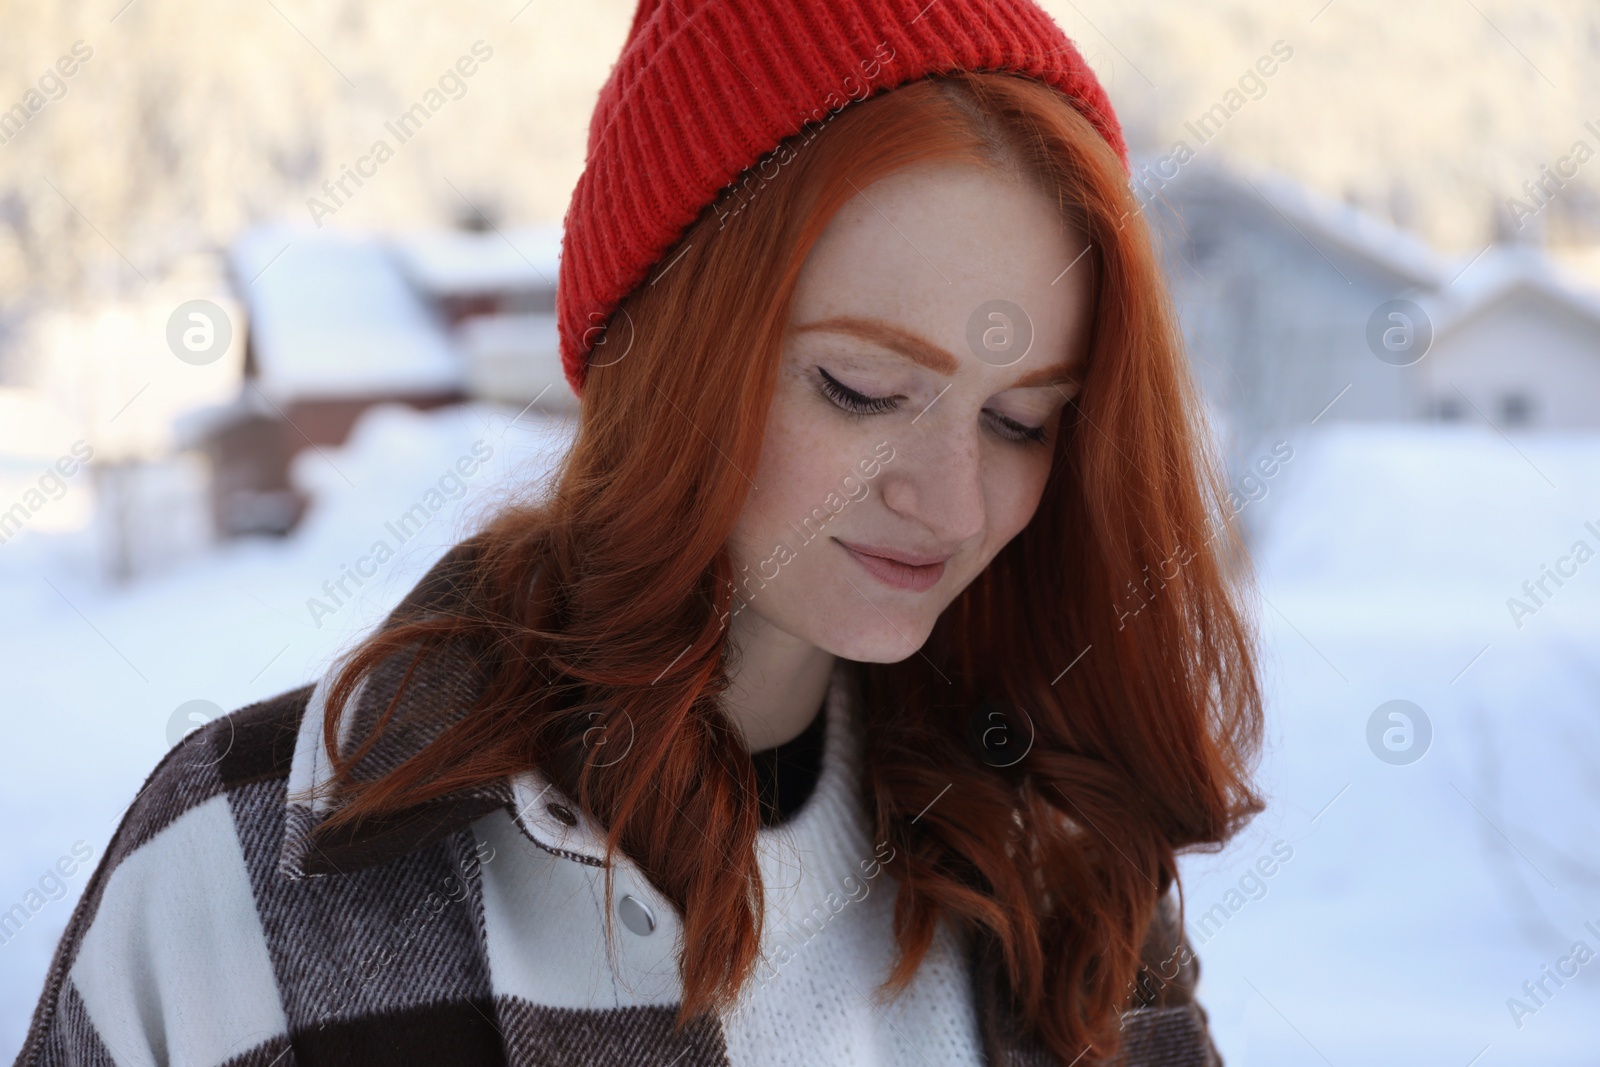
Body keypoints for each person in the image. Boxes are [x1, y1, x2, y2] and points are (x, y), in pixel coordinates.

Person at [14, 1, 1265, 1064]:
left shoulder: (1061, 855)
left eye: (1023, 420)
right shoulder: (247, 878)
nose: (953, 501)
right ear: (659, 347)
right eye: (861, 391)